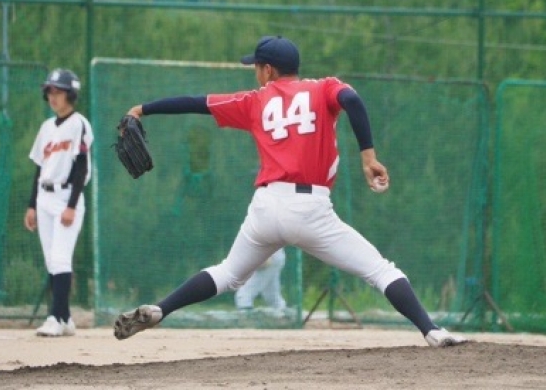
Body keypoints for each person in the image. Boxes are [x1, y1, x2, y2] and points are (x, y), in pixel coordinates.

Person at [114, 35, 467, 348]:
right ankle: (431, 331)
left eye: (256, 67)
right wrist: (368, 157)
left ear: (268, 70)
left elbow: (196, 102)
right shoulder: (323, 88)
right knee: (380, 270)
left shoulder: (254, 101)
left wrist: (143, 109)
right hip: (310, 209)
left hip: (266, 207)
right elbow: (353, 101)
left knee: (228, 274)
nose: (255, 73)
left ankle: (161, 309)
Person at [23, 69, 93, 337]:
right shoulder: (46, 127)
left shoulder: (79, 124)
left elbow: (81, 167)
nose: (53, 96)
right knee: (52, 261)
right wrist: (32, 205)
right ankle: (65, 318)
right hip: (44, 197)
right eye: (50, 91)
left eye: (59, 91)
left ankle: (54, 317)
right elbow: (40, 168)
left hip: (66, 196)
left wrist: (71, 206)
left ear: (71, 94)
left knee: (61, 258)